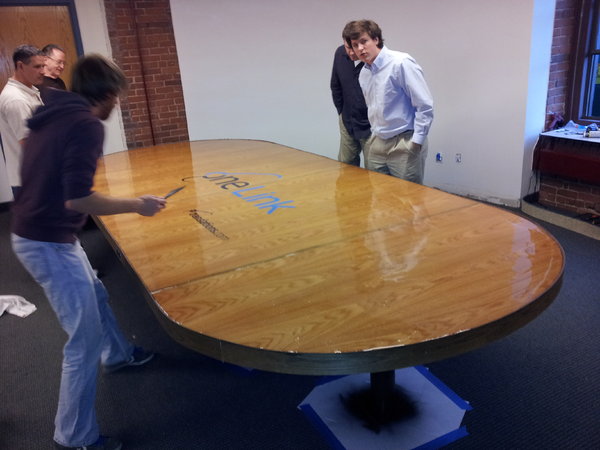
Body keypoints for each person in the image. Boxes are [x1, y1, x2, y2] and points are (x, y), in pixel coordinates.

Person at [11, 54, 167, 450]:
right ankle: (74, 437)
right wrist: (138, 205)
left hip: (46, 232)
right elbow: (78, 199)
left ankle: (118, 354)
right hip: (46, 241)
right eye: (117, 95)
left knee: (96, 293)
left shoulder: (54, 113)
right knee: (83, 341)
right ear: (107, 93)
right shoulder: (85, 125)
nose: (118, 102)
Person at [344, 20, 434, 184]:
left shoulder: (400, 63)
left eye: (364, 41)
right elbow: (373, 108)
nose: (360, 48)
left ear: (376, 39)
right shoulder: (364, 73)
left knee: (407, 197)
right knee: (380, 196)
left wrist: (417, 142)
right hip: (377, 143)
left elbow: (424, 105)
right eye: (355, 45)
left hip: (404, 142)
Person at [0, 45, 44, 197]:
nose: (42, 71)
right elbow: (29, 144)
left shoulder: (28, 92)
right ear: (20, 66)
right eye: (37, 67)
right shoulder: (16, 99)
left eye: (43, 66)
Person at [330, 38, 370, 167]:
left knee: (373, 168)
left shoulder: (373, 58)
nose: (351, 52)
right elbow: (335, 85)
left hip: (371, 124)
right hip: (347, 119)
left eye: (354, 48)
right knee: (345, 163)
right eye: (348, 47)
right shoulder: (340, 53)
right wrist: (341, 112)